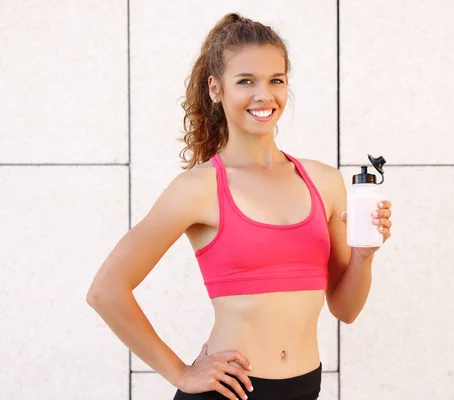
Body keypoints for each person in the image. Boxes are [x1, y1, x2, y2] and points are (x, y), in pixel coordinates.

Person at [86, 12, 392, 400]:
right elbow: (106, 291)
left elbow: (345, 309)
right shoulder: (198, 189)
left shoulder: (325, 181)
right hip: (229, 393)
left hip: (304, 387)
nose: (264, 95)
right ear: (216, 88)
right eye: (246, 81)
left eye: (275, 80)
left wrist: (364, 256)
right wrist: (181, 373)